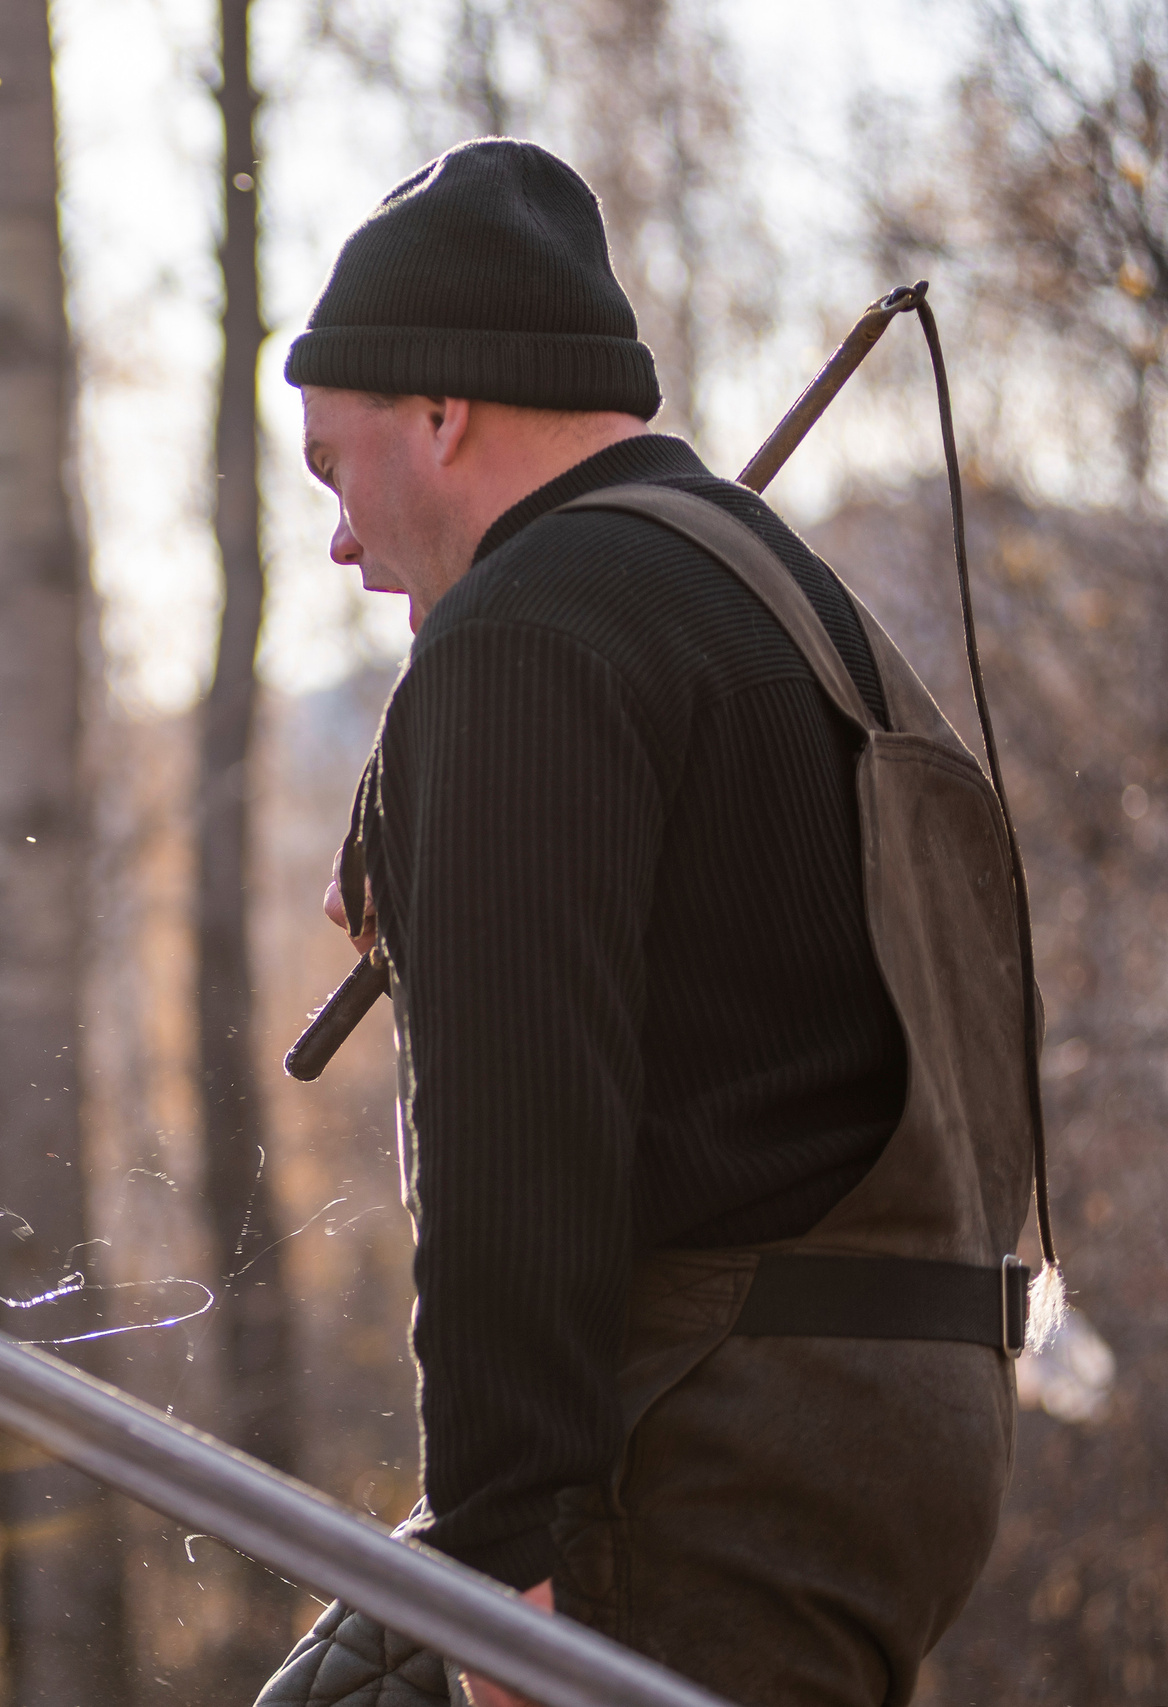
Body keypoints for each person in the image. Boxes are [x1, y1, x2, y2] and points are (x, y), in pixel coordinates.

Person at [253, 140, 1038, 1707]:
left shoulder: (530, 633)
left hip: (717, 1460)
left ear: (441, 409)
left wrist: (499, 1560)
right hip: (887, 1433)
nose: (339, 540)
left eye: (335, 467)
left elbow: (515, 1132)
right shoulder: (765, 592)